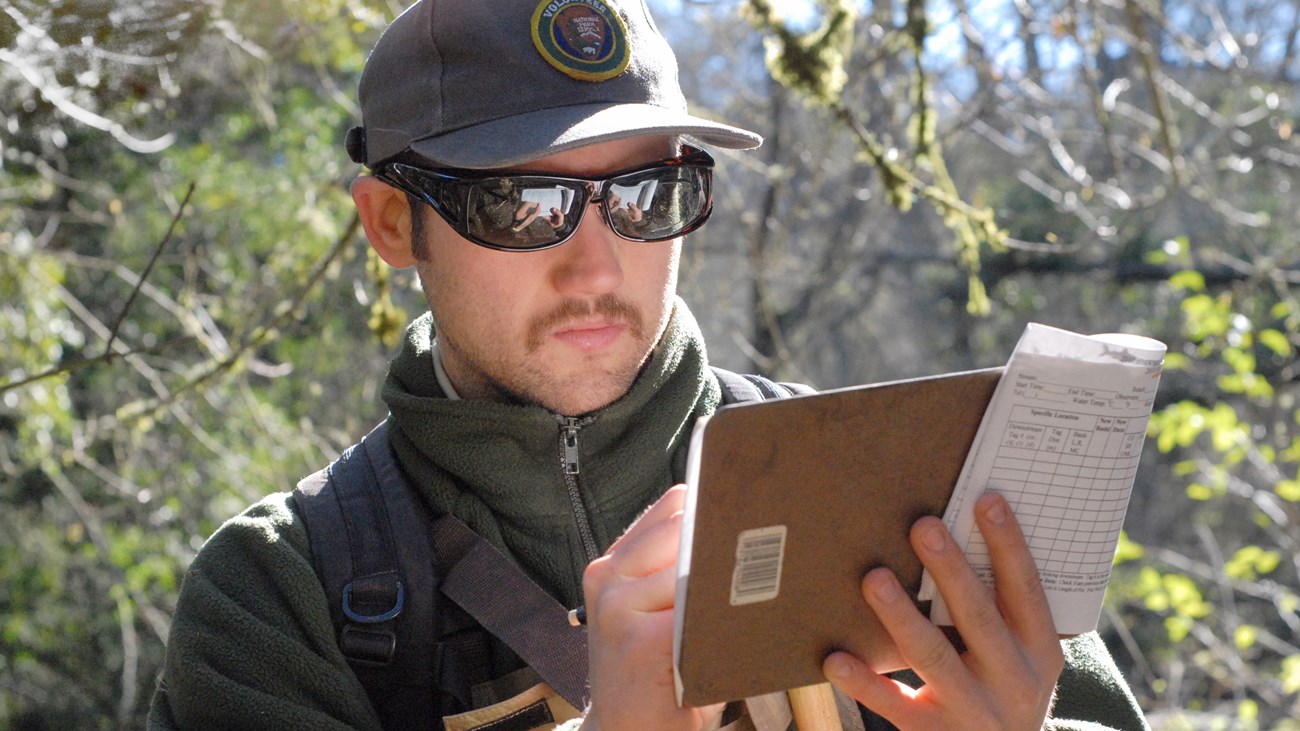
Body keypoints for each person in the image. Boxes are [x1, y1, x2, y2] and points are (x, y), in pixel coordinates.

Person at [147, 1, 1152, 729]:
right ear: (393, 222)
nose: (597, 263)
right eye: (522, 205)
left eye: (645, 193)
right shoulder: (281, 595)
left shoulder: (904, 482)